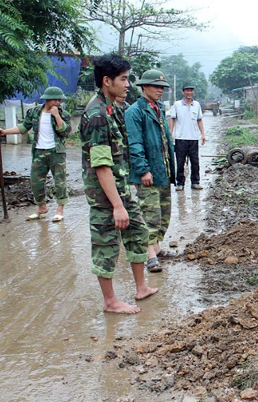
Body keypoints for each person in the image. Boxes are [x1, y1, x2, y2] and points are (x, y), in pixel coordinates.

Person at [79, 54, 158, 314]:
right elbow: (101, 165)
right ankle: (110, 302)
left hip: (121, 189)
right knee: (106, 246)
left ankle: (141, 288)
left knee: (138, 233)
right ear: (106, 80)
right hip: (106, 197)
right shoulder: (97, 114)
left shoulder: (113, 108)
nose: (127, 84)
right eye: (123, 79)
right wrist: (116, 206)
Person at [0, 87, 71, 222]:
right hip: (39, 151)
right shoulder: (34, 112)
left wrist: (57, 116)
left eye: (59, 100)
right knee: (35, 181)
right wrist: (4, 132)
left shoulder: (63, 114)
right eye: (55, 99)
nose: (57, 102)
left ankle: (59, 210)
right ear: (47, 99)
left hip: (56, 152)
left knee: (60, 181)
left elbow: (65, 132)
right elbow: (23, 127)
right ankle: (41, 207)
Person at [125, 70, 176, 273]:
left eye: (162, 87)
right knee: (149, 214)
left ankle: (157, 248)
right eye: (156, 86)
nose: (160, 90)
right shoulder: (135, 111)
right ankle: (150, 256)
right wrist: (143, 170)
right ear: (144, 87)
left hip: (162, 169)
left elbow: (166, 140)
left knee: (164, 213)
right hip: (148, 172)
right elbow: (135, 143)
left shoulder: (159, 108)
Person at [169, 84, 206, 191]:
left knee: (195, 162)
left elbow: (199, 120)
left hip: (194, 138)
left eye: (191, 90)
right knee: (180, 162)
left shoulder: (197, 105)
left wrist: (203, 134)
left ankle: (195, 182)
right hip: (180, 138)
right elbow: (172, 119)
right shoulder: (177, 105)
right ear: (183, 92)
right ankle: (180, 183)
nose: (189, 92)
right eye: (187, 90)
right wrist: (170, 133)